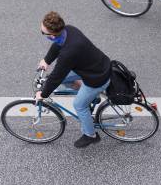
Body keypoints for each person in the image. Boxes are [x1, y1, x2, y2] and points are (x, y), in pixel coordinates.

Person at [36, 11, 114, 149]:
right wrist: (46, 61)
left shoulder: (69, 53)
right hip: (98, 65)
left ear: (52, 35)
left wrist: (42, 94)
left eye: (43, 33)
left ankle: (91, 135)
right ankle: (88, 95)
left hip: (97, 78)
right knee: (60, 79)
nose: (42, 34)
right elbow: (58, 44)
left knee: (79, 105)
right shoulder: (68, 30)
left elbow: (57, 76)